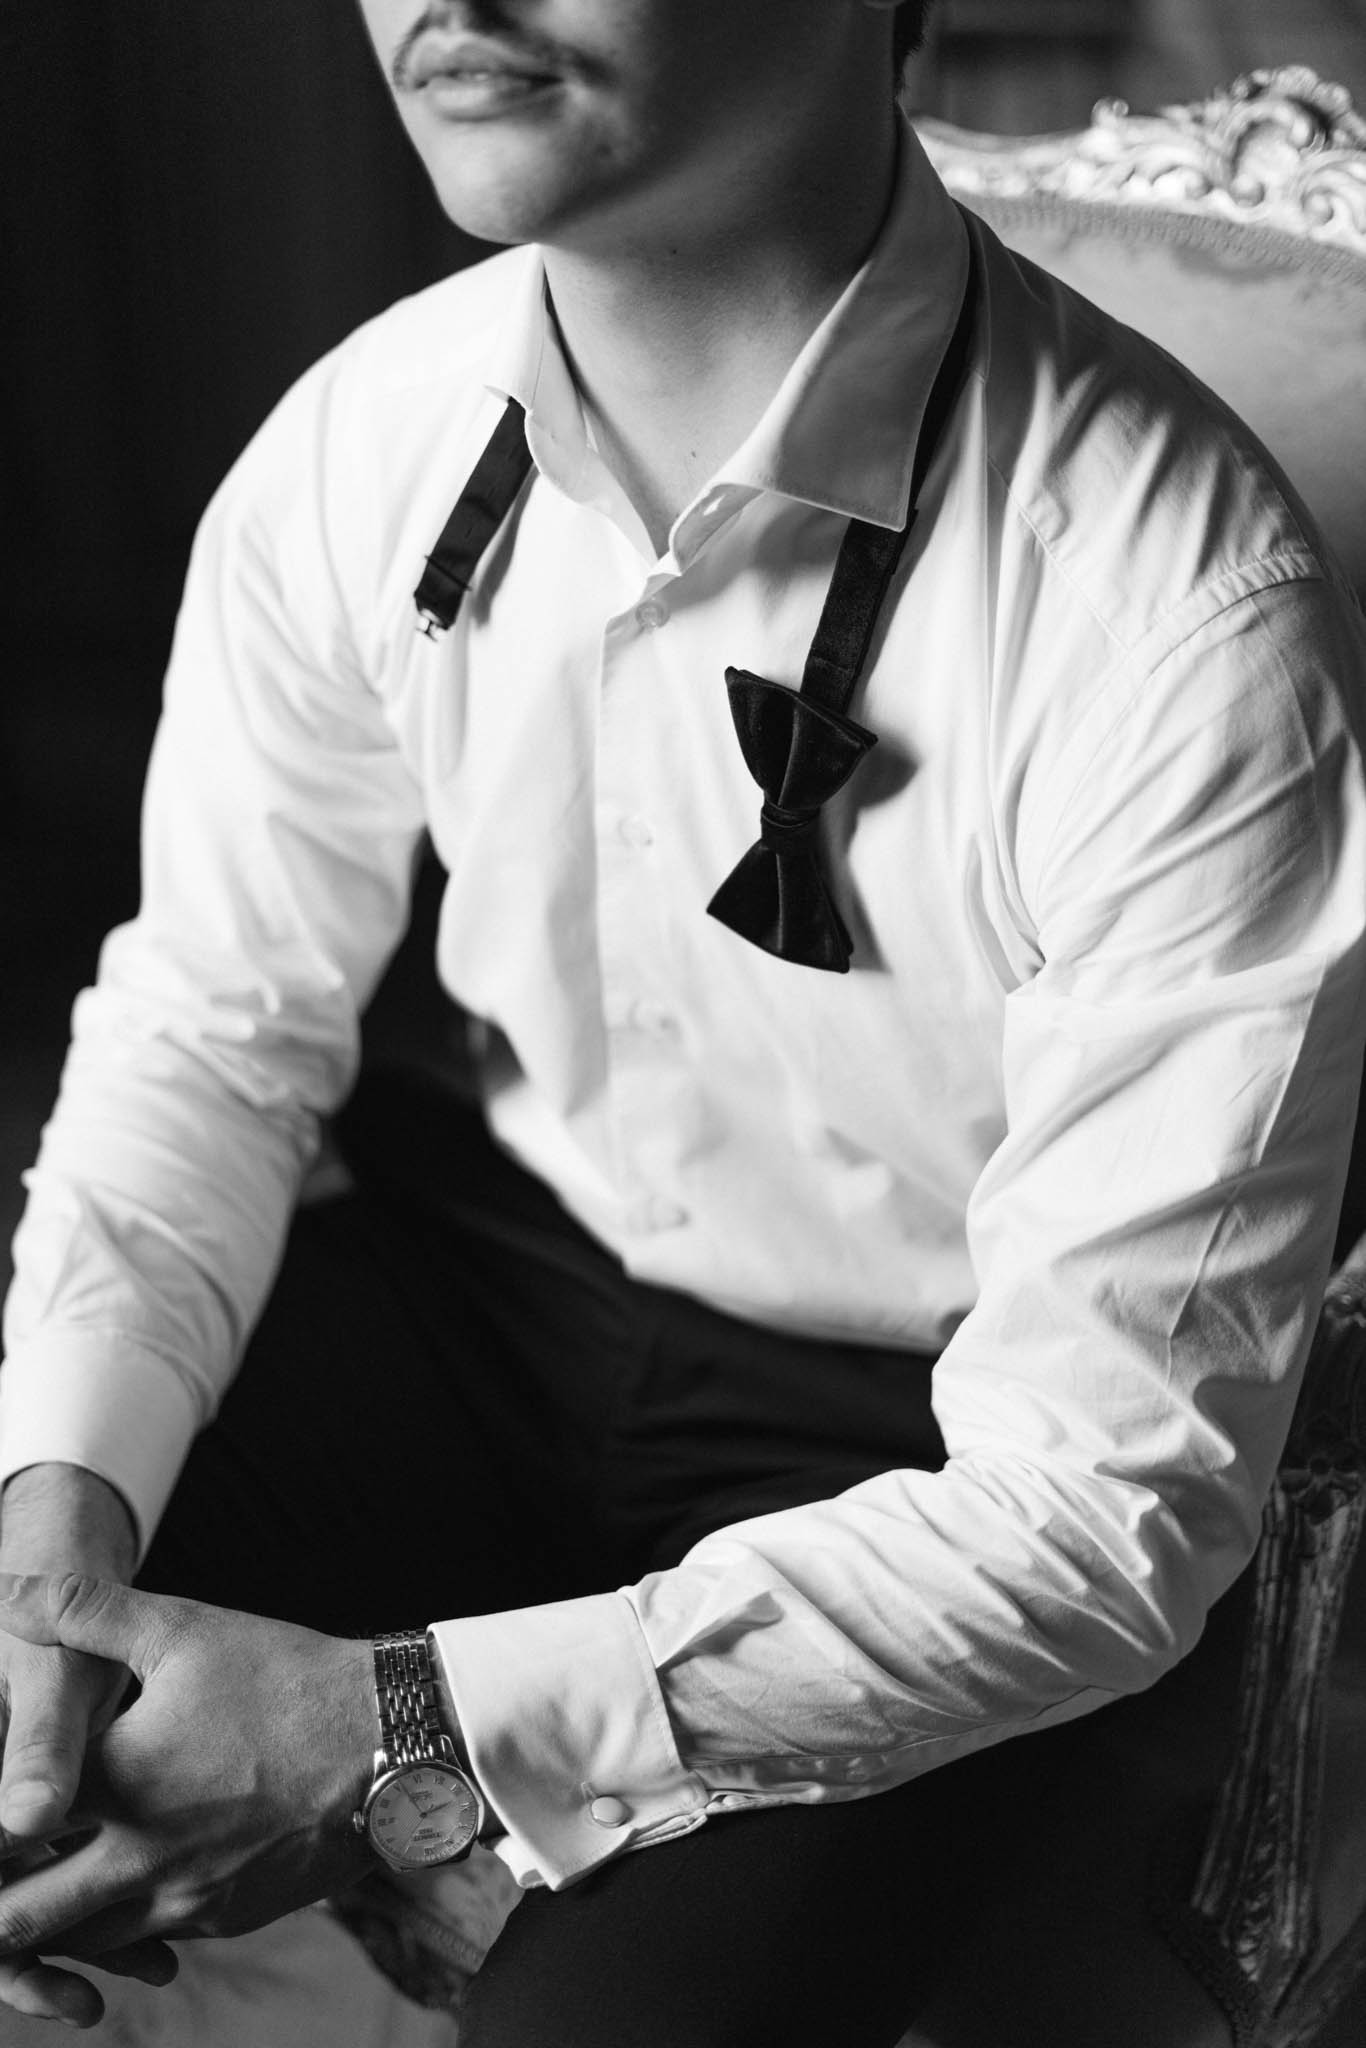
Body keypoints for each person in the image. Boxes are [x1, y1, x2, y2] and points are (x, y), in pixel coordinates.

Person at [1, 1, 1365, 2041]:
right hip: (496, 1297)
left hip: (929, 1455)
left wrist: (384, 1729)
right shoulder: (361, 437)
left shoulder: (1180, 601)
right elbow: (209, 1026)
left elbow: (1104, 1509)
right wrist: (53, 1540)